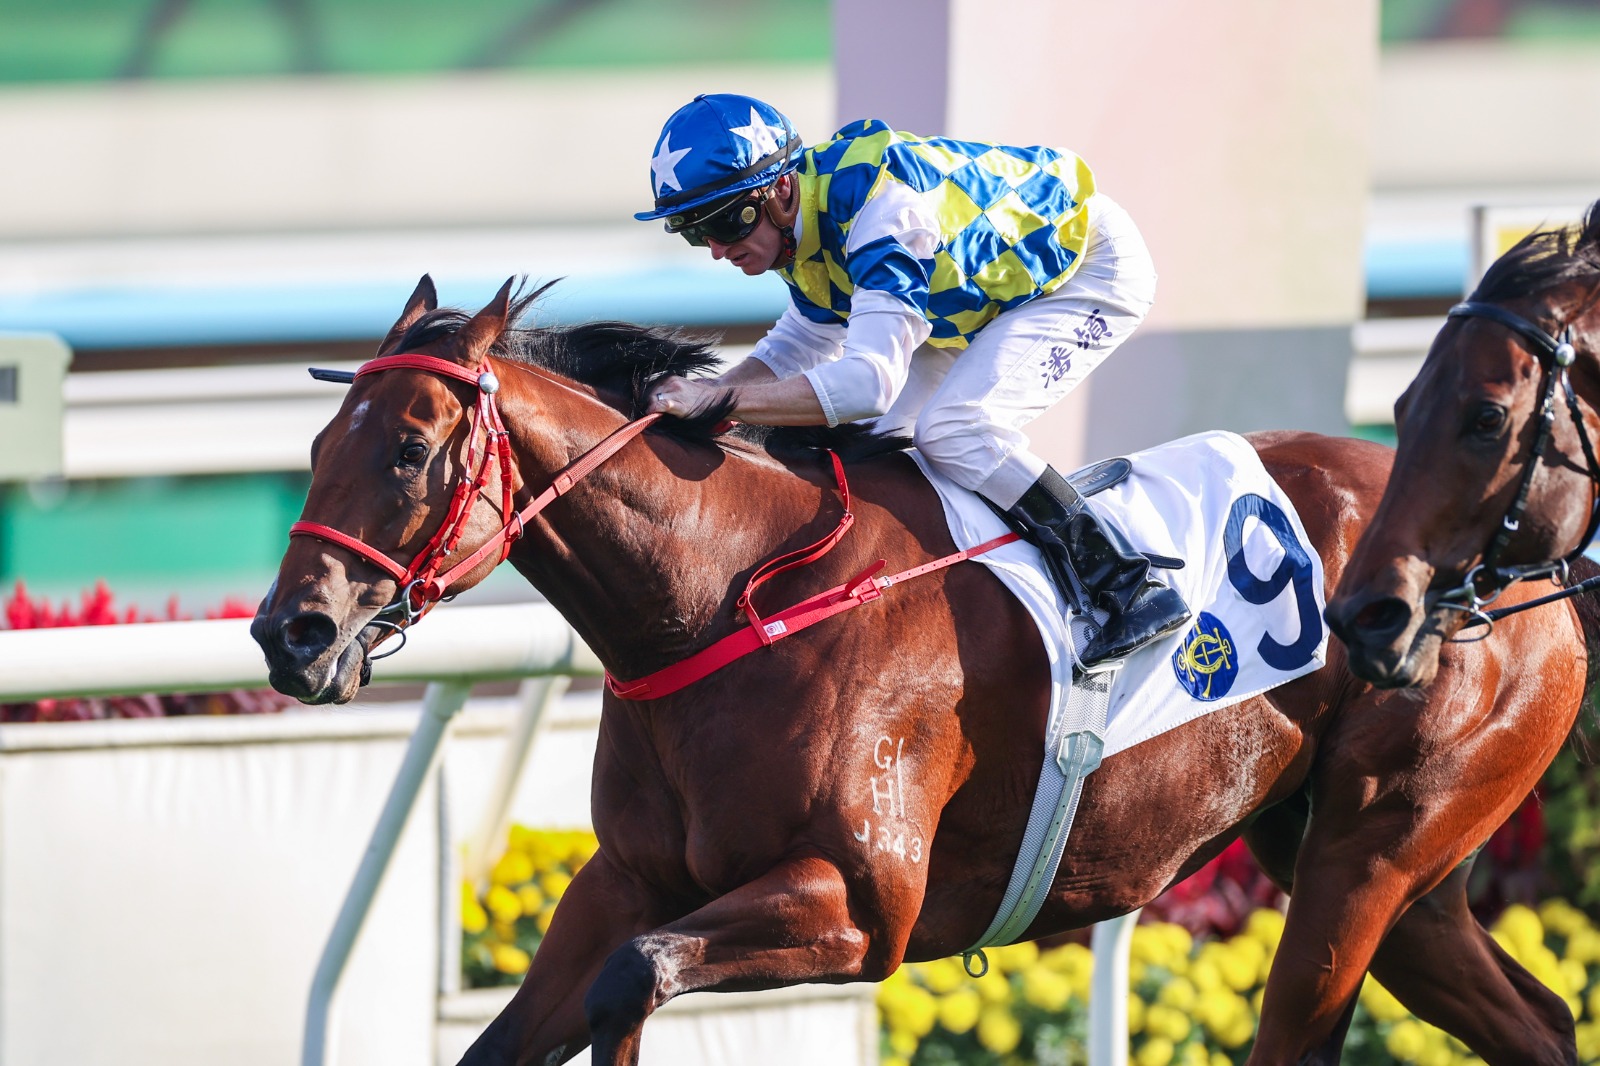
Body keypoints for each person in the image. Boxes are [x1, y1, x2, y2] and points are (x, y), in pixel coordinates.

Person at [636, 93, 1188, 668]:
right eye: (696, 233)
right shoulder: (803, 222)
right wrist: (694, 403)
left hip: (1085, 271)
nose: (720, 250)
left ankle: (1127, 582)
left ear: (779, 189)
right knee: (875, 445)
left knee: (954, 429)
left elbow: (865, 384)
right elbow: (796, 347)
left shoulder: (882, 214)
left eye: (727, 221)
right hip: (973, 305)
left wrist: (719, 399)